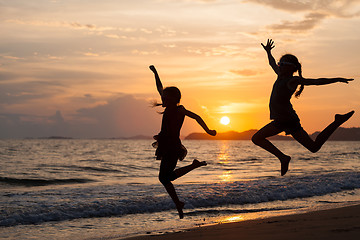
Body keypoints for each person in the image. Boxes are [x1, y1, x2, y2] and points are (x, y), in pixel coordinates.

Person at [252, 39, 354, 176]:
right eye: (279, 63)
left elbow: (317, 82)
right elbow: (271, 63)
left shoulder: (292, 80)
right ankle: (283, 157)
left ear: (290, 68)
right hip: (281, 121)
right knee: (257, 138)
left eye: (281, 64)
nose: (278, 65)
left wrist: (336, 79)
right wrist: (269, 52)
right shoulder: (280, 76)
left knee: (313, 147)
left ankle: (337, 122)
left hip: (288, 120)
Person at [149, 65, 216, 219]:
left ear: (174, 99)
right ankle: (179, 203)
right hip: (166, 144)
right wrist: (155, 73)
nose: (162, 99)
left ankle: (193, 168)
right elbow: (160, 87)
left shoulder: (180, 110)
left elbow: (197, 117)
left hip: (172, 146)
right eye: (162, 97)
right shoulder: (168, 106)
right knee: (165, 177)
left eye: (165, 97)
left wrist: (208, 131)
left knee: (165, 178)